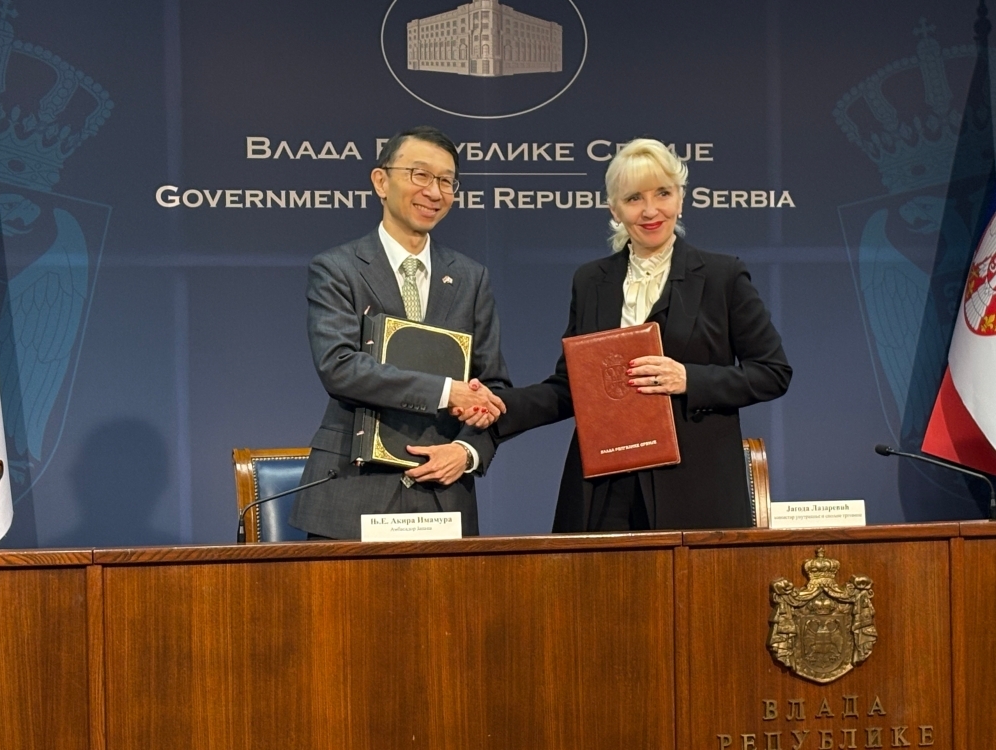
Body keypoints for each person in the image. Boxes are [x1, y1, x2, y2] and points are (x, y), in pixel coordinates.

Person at [493, 138, 791, 532]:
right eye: (634, 198)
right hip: (604, 484)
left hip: (695, 485)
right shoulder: (591, 281)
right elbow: (572, 388)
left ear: (681, 199)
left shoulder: (723, 276)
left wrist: (688, 378)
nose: (651, 211)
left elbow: (772, 372)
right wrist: (499, 406)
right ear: (614, 209)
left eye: (663, 194)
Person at [290, 125, 510, 540]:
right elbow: (339, 367)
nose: (434, 191)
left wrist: (465, 453)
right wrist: (448, 392)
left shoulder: (471, 277)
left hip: (443, 495)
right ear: (380, 180)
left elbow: (493, 387)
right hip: (353, 491)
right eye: (420, 174)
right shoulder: (338, 269)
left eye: (446, 181)